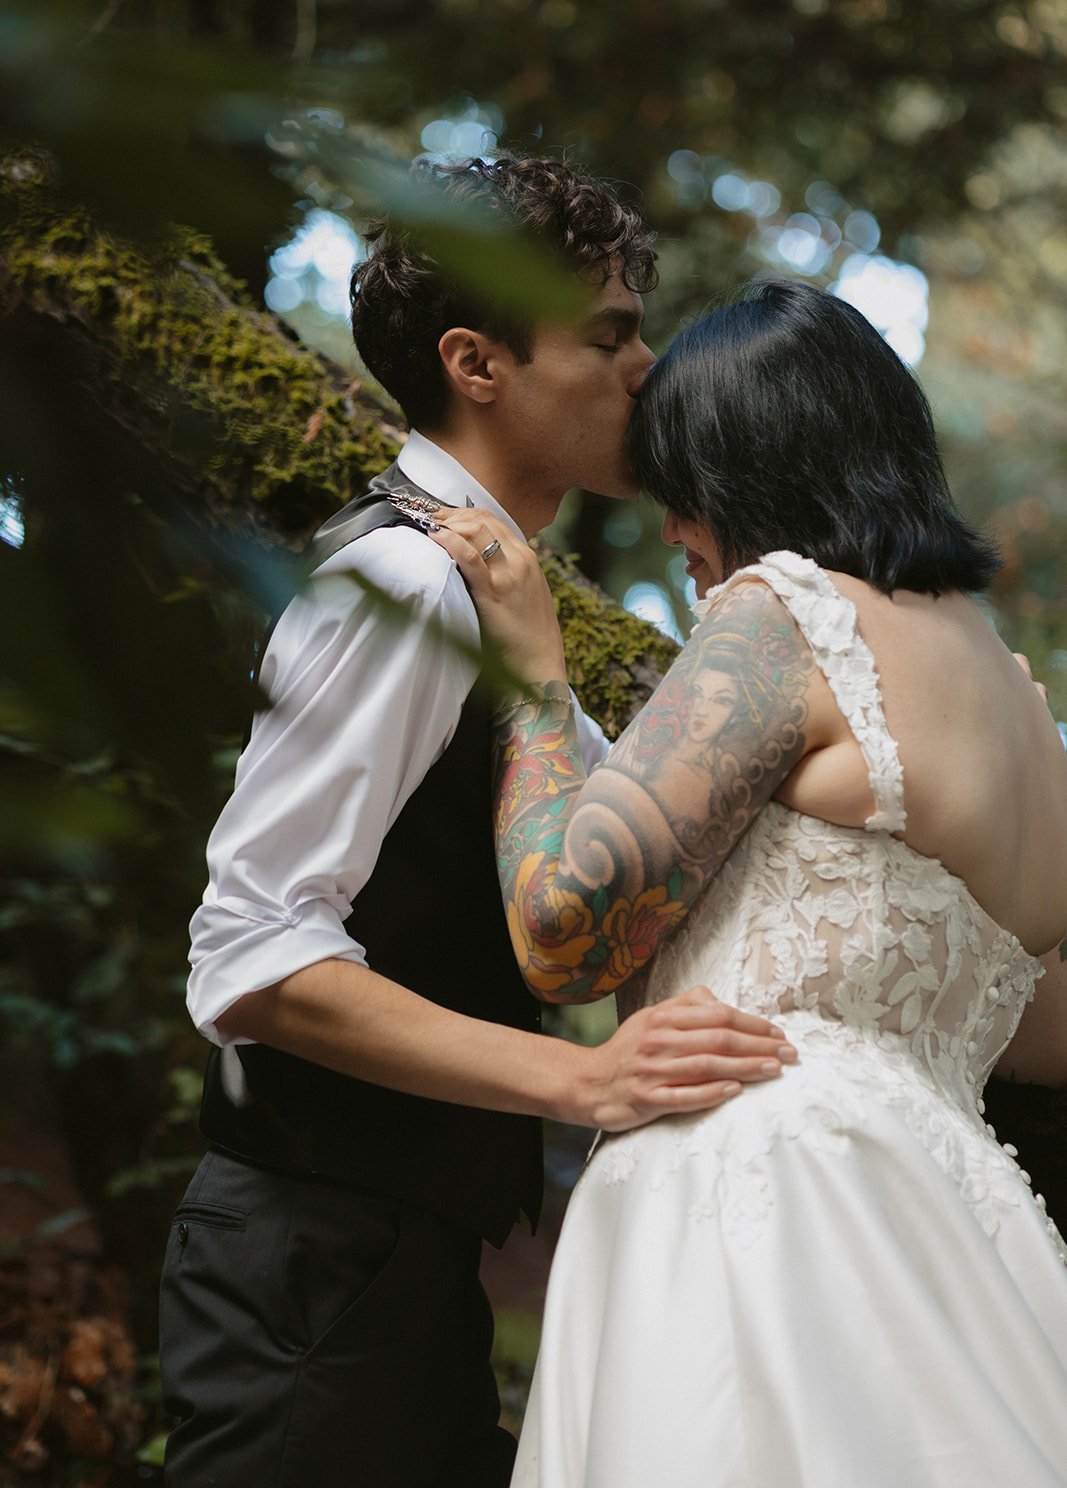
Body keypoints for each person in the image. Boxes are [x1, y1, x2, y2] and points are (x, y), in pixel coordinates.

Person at [156, 156, 797, 1488]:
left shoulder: (497, 595)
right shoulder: (404, 578)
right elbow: (254, 956)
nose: (646, 371)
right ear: (476, 362)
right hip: (311, 1264)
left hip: (398, 1259)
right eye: (608, 337)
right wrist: (581, 1080)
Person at [432, 279, 1067, 1486]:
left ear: (750, 469)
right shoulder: (1022, 708)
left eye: (684, 488)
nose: (674, 530)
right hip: (956, 1218)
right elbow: (1036, 1030)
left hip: (763, 1186)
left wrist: (529, 677)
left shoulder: (783, 615)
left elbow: (563, 930)